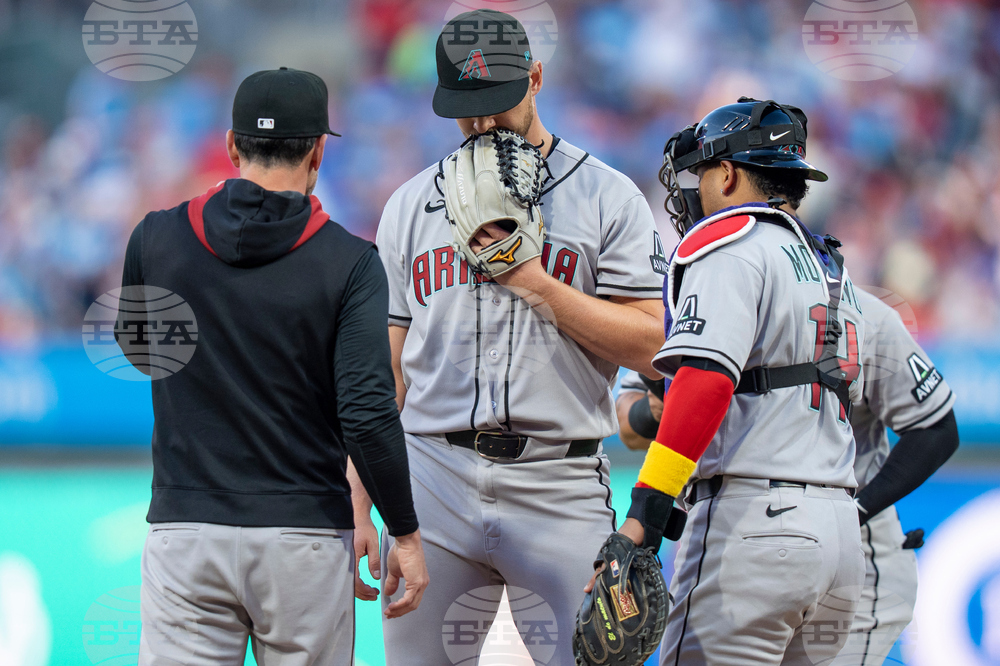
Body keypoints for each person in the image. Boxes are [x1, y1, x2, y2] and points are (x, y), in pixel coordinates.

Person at [348, 9, 667, 665]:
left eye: (499, 103)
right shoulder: (412, 204)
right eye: (467, 110)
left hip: (559, 477)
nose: (484, 124)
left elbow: (653, 344)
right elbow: (383, 377)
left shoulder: (607, 197)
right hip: (431, 479)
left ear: (538, 78)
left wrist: (537, 285)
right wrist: (358, 493)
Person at [116, 67, 428, 666]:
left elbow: (140, 354)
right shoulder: (351, 262)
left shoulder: (155, 238)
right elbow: (366, 412)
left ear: (233, 146)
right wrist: (405, 531)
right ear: (317, 151)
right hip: (303, 536)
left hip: (186, 527)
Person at [609, 98, 869, 665]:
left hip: (756, 528)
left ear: (727, 174)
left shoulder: (729, 240)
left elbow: (706, 382)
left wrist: (645, 516)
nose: (694, 188)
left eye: (702, 172)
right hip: (841, 535)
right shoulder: (830, 266)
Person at [618, 286, 960, 665]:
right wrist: (683, 404)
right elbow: (628, 425)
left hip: (857, 550)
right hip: (729, 534)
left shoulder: (865, 313)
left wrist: (858, 511)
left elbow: (937, 428)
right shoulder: (710, 299)